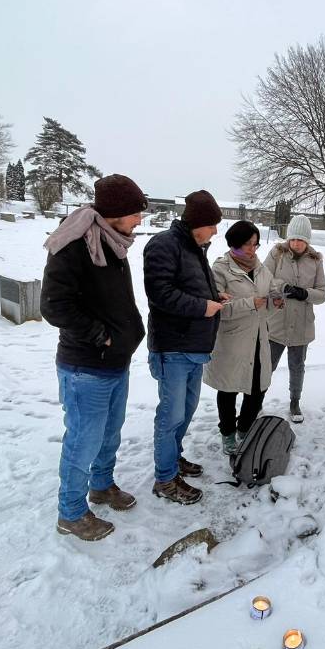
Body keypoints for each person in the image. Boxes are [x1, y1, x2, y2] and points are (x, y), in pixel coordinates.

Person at [40, 174, 148, 541]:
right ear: (115, 212)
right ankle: (70, 513)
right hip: (85, 365)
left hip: (115, 361)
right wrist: (101, 336)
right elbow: (54, 306)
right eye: (135, 213)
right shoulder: (74, 244)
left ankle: (101, 486)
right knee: (82, 440)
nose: (140, 220)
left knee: (109, 435)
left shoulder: (112, 242)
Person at [143, 190, 225, 504]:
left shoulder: (195, 248)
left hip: (195, 347)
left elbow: (191, 288)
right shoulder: (164, 245)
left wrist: (215, 300)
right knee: (171, 415)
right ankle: (164, 479)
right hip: (173, 347)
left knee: (186, 412)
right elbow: (159, 293)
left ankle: (173, 459)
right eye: (213, 224)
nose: (216, 231)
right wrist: (201, 307)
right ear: (198, 222)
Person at [203, 220, 275, 454]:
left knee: (258, 388)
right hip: (232, 341)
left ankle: (245, 428)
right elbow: (218, 308)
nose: (253, 249)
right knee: (229, 389)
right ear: (234, 245)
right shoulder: (220, 269)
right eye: (248, 245)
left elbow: (269, 292)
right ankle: (227, 434)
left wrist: (276, 300)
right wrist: (249, 304)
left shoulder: (260, 267)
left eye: (256, 244)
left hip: (258, 338)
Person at [263, 215, 325, 423]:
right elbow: (263, 278)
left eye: (300, 240)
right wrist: (282, 288)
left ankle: (294, 401)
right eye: (292, 239)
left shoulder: (316, 260)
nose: (296, 243)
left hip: (302, 325)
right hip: (276, 322)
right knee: (267, 365)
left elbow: (323, 293)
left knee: (297, 366)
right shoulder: (277, 253)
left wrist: (305, 294)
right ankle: (257, 398)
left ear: (307, 240)